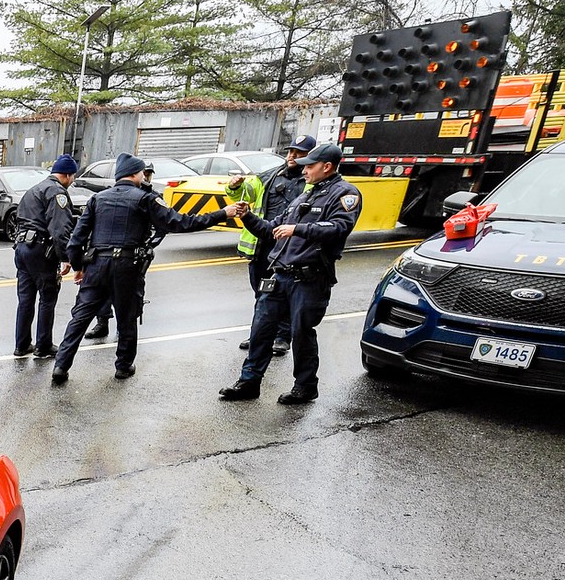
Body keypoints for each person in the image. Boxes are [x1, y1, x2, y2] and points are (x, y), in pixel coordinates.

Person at [52, 153, 238, 385]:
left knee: (80, 318)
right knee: (127, 317)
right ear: (134, 173)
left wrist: (78, 267)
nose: (144, 176)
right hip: (127, 267)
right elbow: (180, 223)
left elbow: (77, 239)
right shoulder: (145, 199)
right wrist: (223, 213)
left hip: (97, 266)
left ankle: (61, 366)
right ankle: (123, 366)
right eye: (142, 172)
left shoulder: (97, 199)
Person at [219, 144, 362, 405]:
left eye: (310, 165)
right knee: (261, 330)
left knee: (302, 332)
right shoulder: (305, 195)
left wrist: (298, 229)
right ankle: (249, 382)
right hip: (280, 275)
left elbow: (339, 228)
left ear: (327, 167)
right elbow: (270, 229)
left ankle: (305, 387)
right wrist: (247, 216)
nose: (304, 169)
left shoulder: (345, 194)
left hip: (309, 278)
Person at [233, 136, 314, 356]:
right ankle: (259, 334)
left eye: (299, 153)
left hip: (291, 248)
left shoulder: (312, 183)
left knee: (284, 293)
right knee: (262, 293)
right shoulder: (270, 176)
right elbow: (245, 193)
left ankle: (281, 337)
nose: (292, 156)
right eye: (291, 152)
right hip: (264, 244)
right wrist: (234, 187)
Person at [12, 155, 80, 357]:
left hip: (22, 248)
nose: (73, 180)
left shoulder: (34, 190)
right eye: (73, 176)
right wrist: (66, 258)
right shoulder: (57, 192)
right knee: (47, 298)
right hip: (40, 250)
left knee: (25, 299)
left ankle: (22, 345)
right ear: (67, 175)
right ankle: (43, 345)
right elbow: (60, 229)